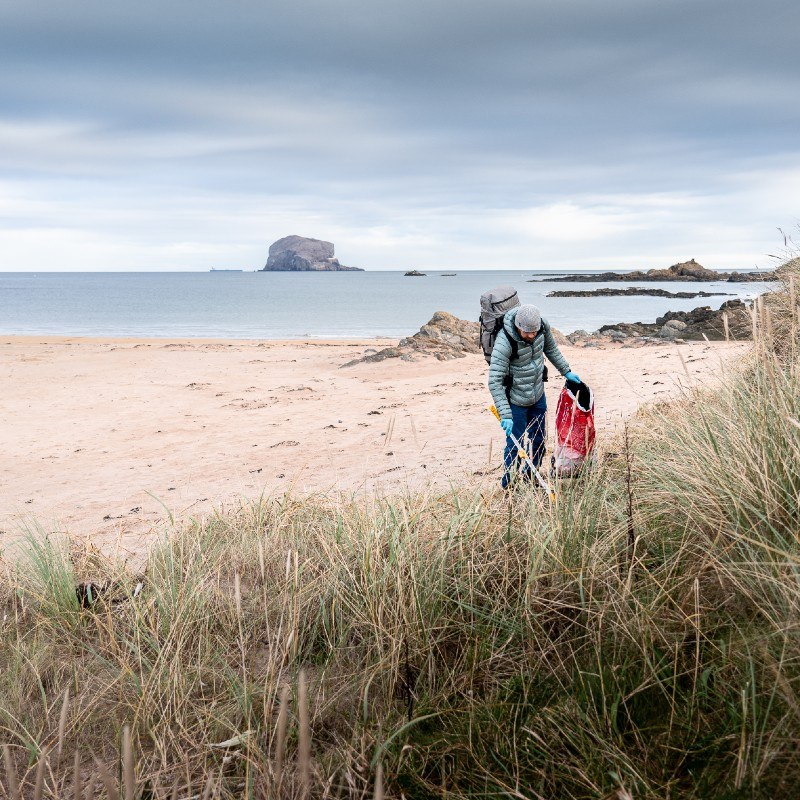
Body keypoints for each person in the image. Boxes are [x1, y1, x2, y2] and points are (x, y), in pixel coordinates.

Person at [488, 304, 580, 489]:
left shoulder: (542, 328)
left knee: (539, 440)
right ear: (518, 326)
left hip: (538, 395)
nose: (531, 336)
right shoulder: (504, 341)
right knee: (515, 446)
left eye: (534, 332)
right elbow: (494, 381)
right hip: (515, 400)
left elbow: (552, 350)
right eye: (526, 332)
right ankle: (509, 485)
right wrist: (505, 414)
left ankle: (532, 476)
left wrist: (566, 371)